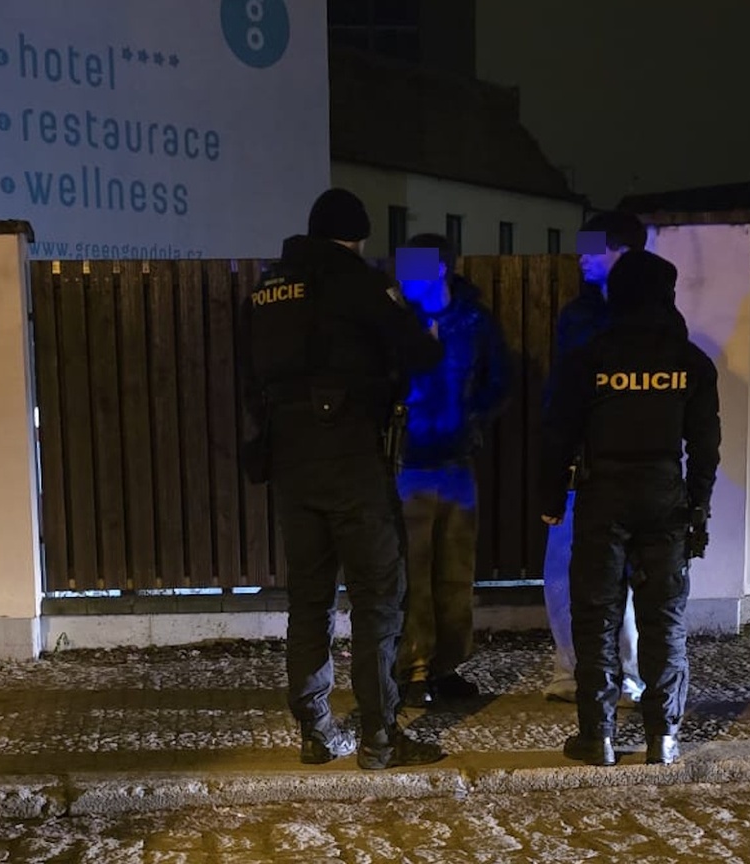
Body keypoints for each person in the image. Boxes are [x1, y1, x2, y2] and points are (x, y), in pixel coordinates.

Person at [239, 188, 445, 769]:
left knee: (310, 598)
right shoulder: (357, 281)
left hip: (291, 462)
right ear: (356, 237)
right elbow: (419, 355)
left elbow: (249, 379)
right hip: (354, 459)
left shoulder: (266, 290)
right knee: (378, 597)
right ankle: (380, 736)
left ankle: (314, 730)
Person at [540, 247, 721, 766]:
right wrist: (698, 509)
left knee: (596, 617)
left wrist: (551, 500)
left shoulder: (590, 358)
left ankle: (597, 736)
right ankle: (663, 737)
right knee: (663, 619)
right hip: (665, 498)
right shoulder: (690, 362)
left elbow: (558, 434)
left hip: (603, 497)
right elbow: (705, 446)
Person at [392, 233, 512, 708]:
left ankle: (445, 666)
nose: (403, 277)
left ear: (439, 268)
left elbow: (498, 381)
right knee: (413, 573)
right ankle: (415, 668)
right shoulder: (400, 322)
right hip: (410, 463)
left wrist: (473, 419)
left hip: (456, 463)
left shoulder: (474, 321)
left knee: (455, 574)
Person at [540, 211, 654, 707]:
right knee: (565, 569)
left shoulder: (642, 317)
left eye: (594, 247)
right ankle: (576, 670)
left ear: (622, 252)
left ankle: (624, 673)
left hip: (621, 463)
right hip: (582, 460)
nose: (582, 256)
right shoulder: (580, 314)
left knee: (623, 571)